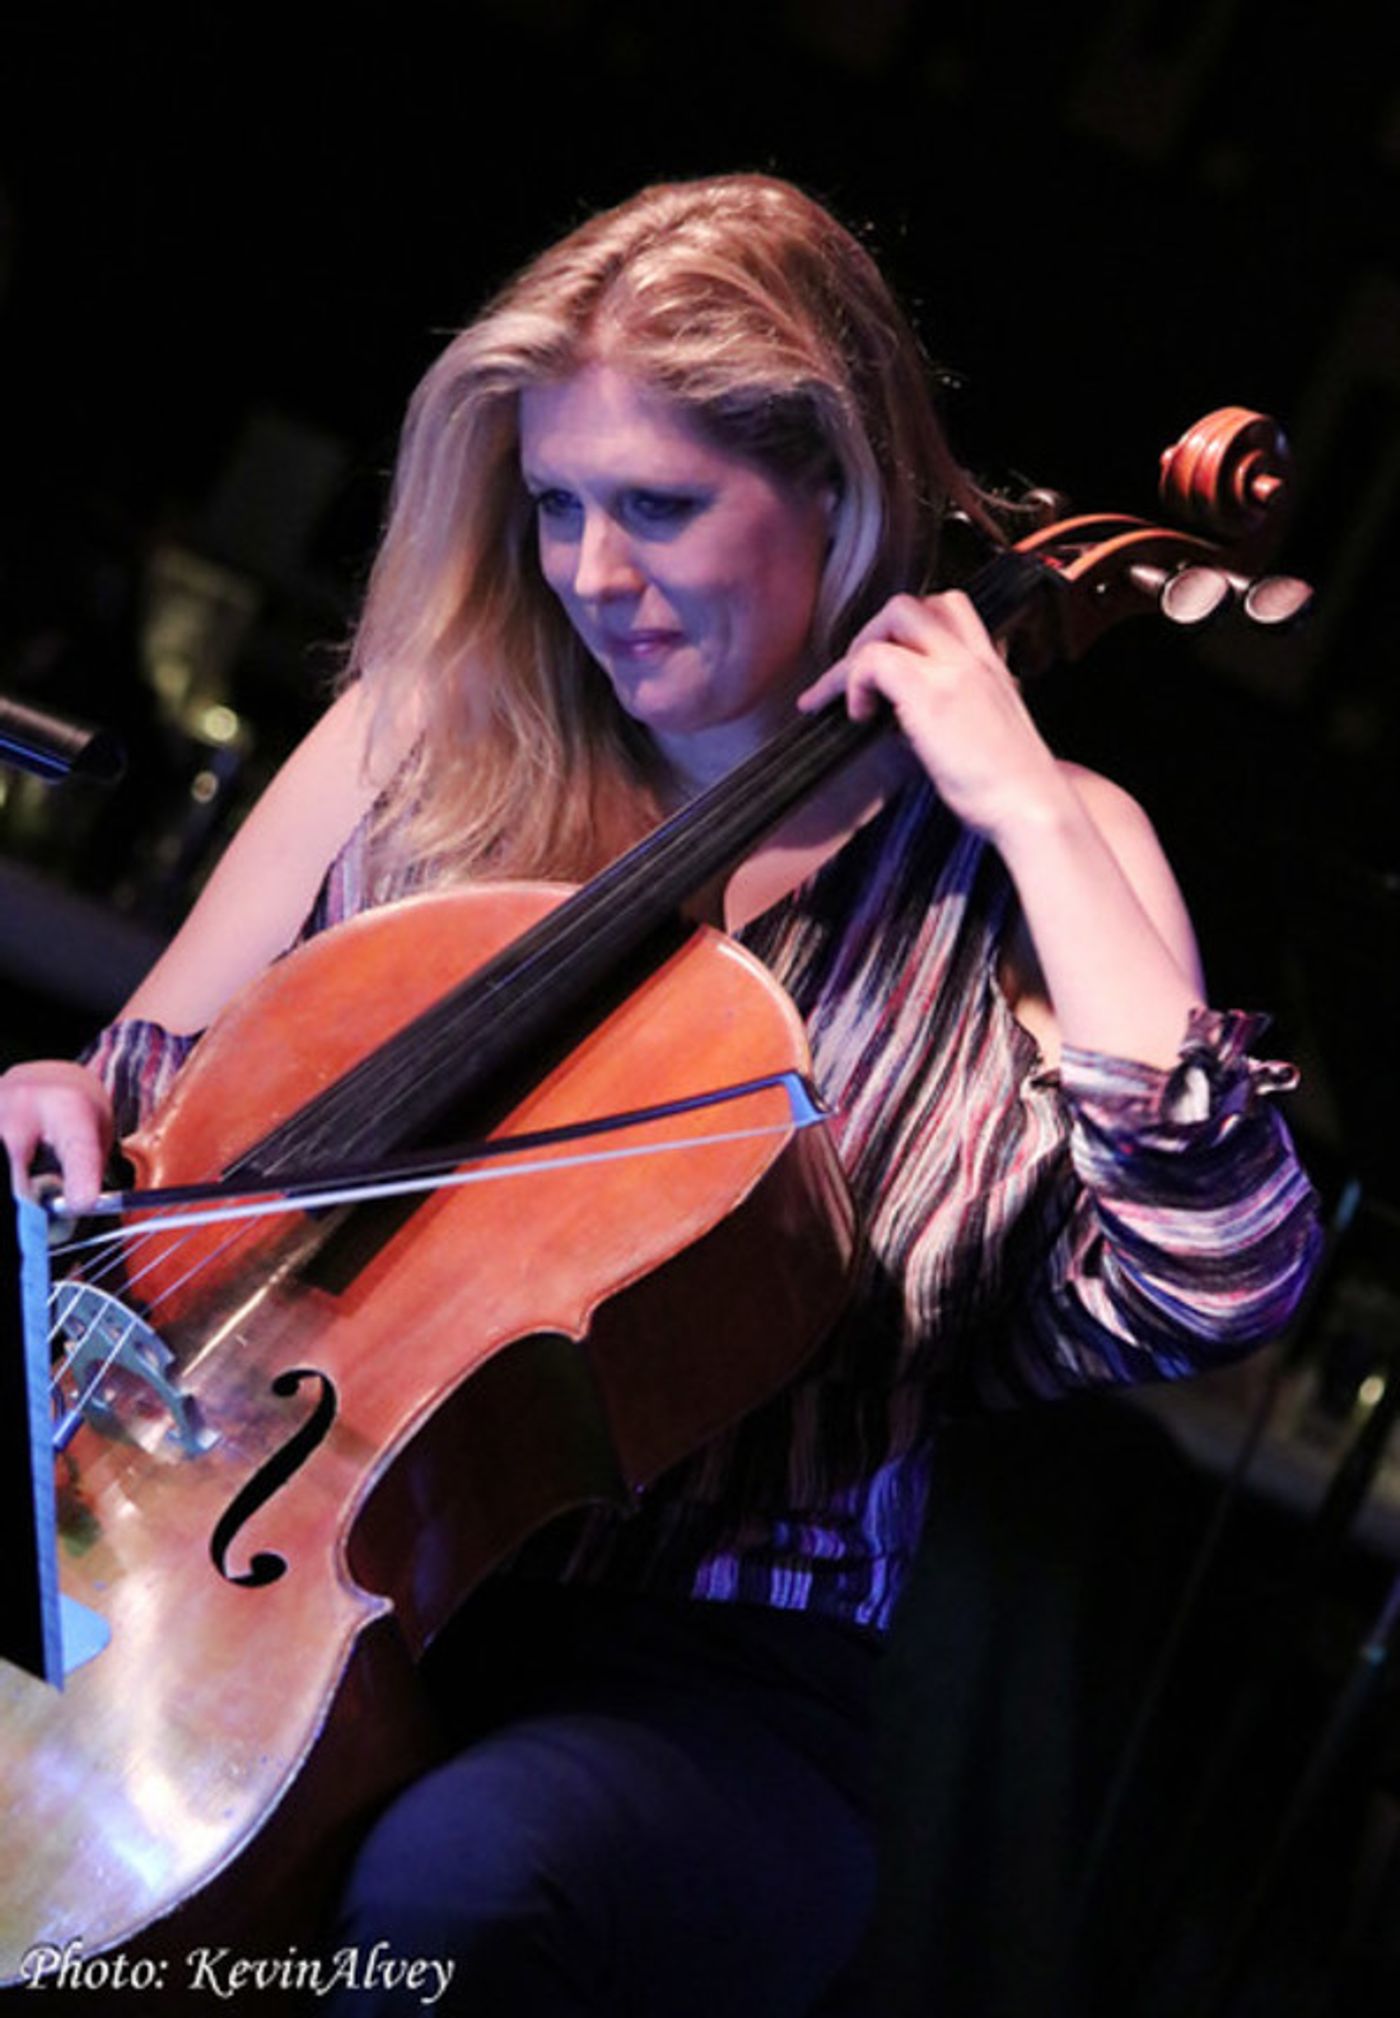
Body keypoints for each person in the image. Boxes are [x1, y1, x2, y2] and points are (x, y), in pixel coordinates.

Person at [0, 174, 1319, 2015]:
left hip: (695, 1682)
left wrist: (1024, 799)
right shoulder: (419, 733)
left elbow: (1220, 1275)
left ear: (837, 490)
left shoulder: (1042, 858)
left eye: (662, 508)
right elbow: (143, 1114)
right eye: (556, 505)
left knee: (447, 1895)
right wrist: (58, 1113)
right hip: (248, 1558)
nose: (592, 576)